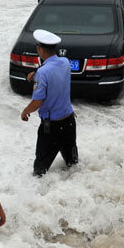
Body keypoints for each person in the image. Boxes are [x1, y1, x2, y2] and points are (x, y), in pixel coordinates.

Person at [20, 29, 78, 176]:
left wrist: (25, 111)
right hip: (69, 121)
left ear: (40, 49)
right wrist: (36, 75)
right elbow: (54, 72)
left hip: (51, 128)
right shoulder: (65, 62)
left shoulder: (43, 73)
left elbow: (37, 102)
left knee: (39, 171)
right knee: (73, 164)